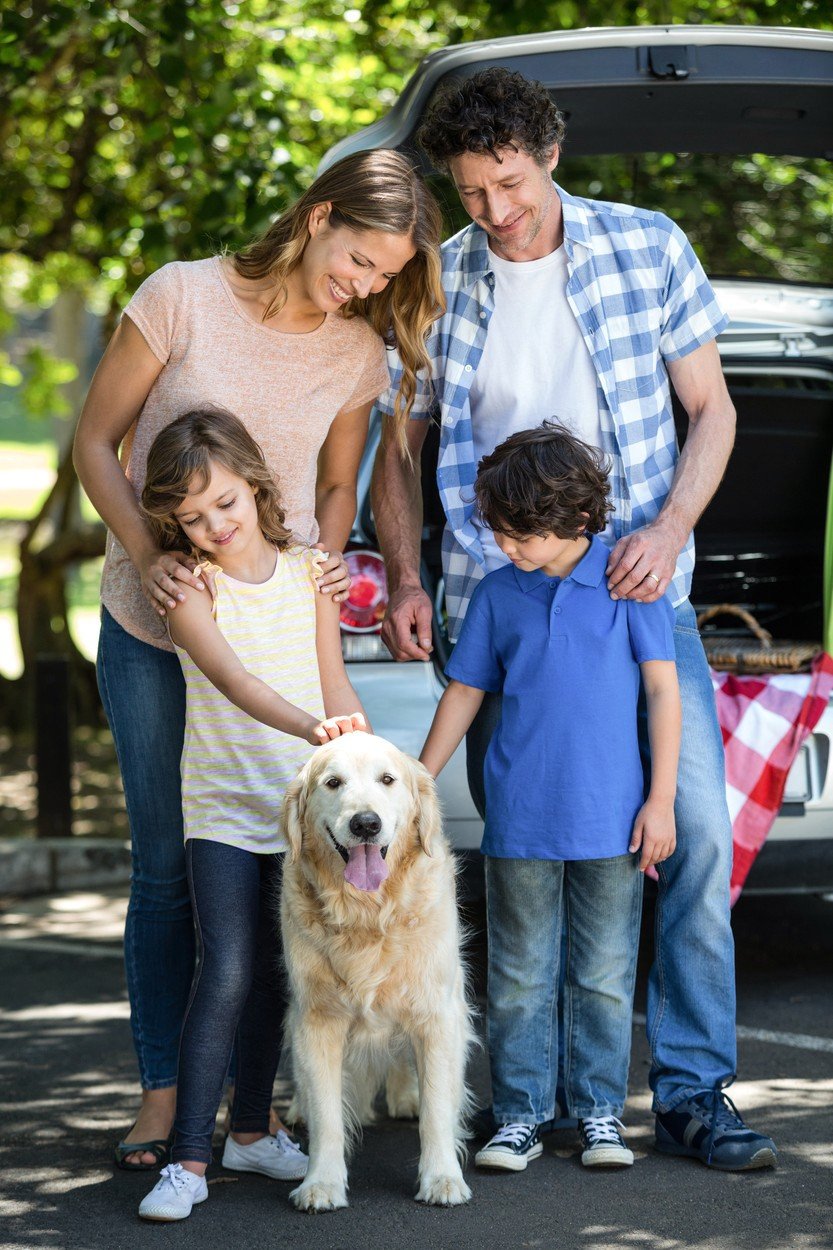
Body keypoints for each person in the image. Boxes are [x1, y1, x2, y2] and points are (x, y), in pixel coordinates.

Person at [372, 68, 779, 1170]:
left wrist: (668, 527)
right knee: (525, 851)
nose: (495, 211)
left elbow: (712, 410)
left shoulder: (645, 247)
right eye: (470, 192)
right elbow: (394, 452)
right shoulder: (435, 281)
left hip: (637, 600)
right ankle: (530, 1100)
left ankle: (692, 1093)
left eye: (508, 182)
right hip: (493, 610)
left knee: (686, 829)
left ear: (548, 156)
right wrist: (406, 577)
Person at [73, 149, 444, 1168]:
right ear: (317, 215)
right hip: (157, 627)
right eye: (361, 257)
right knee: (167, 869)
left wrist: (317, 569)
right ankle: (162, 1096)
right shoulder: (181, 297)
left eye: (384, 274)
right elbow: (95, 443)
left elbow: (335, 485)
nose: (367, 284)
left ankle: (251, 1110)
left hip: (278, 641)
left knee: (280, 866)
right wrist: (152, 562)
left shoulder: (355, 352)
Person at [420, 423, 680, 1170]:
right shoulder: (499, 596)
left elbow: (664, 694)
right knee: (517, 974)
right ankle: (519, 1116)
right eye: (497, 532)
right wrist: (415, 779)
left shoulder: (632, 583)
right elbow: (465, 690)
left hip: (614, 822)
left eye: (518, 535)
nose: (505, 548)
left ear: (575, 521)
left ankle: (599, 1113)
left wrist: (659, 800)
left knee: (602, 974)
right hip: (519, 821)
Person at [134, 408, 368, 1221]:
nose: (214, 527)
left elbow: (331, 679)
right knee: (228, 968)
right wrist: (311, 730)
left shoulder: (311, 571)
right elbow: (234, 680)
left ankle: (253, 1132)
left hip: (304, 814)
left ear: (256, 485)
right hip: (227, 810)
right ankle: (188, 1160)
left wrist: (357, 760)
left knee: (280, 972)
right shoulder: (190, 589)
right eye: (191, 519)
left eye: (225, 505)